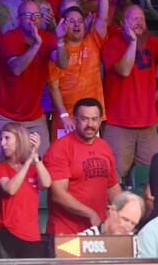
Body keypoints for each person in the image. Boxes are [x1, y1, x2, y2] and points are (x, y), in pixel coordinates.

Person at [102, 1, 158, 177]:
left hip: (148, 124)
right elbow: (124, 70)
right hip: (118, 123)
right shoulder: (112, 43)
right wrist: (132, 43)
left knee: (151, 176)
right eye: (134, 18)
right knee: (115, 176)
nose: (139, 22)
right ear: (122, 23)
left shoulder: (151, 42)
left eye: (142, 18)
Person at [0, 0, 68, 158]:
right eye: (28, 15)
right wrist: (36, 45)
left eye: (37, 15)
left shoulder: (47, 37)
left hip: (33, 116)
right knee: (9, 165)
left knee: (44, 162)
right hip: (3, 115)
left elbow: (62, 63)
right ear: (18, 19)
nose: (33, 18)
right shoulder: (9, 39)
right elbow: (16, 69)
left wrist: (59, 41)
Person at [44, 98, 121, 235]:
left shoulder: (104, 146)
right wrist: (90, 213)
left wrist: (123, 213)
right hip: (66, 233)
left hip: (98, 231)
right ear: (75, 120)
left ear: (100, 120)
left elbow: (112, 187)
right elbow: (58, 195)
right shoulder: (60, 148)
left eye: (94, 119)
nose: (90, 124)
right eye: (84, 119)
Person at [49, 0, 110, 140]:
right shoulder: (56, 50)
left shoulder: (93, 41)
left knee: (88, 162)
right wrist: (63, 116)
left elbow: (103, 19)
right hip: (67, 118)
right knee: (63, 163)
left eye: (80, 21)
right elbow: (53, 87)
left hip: (92, 116)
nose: (77, 24)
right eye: (71, 21)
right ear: (62, 25)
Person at [0, 122, 51, 258]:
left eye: (7, 138)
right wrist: (28, 161)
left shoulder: (33, 168)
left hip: (31, 234)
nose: (2, 143)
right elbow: (10, 189)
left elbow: (46, 183)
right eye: (1, 139)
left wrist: (35, 157)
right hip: (6, 231)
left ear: (20, 140)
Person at [80, 191, 145, 236]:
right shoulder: (84, 240)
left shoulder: (133, 243)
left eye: (133, 223)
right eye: (125, 219)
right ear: (112, 210)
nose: (128, 227)